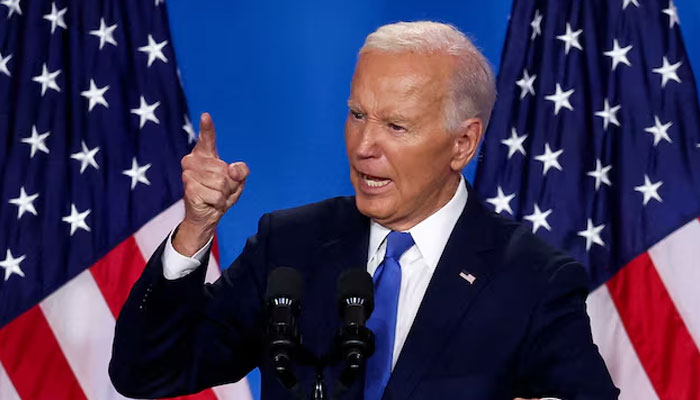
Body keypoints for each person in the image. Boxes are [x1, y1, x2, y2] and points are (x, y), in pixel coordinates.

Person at [109, 21, 619, 399]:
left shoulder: (532, 281)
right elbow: (147, 373)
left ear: (463, 144)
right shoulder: (290, 245)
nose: (363, 146)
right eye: (356, 115)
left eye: (396, 127)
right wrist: (196, 230)